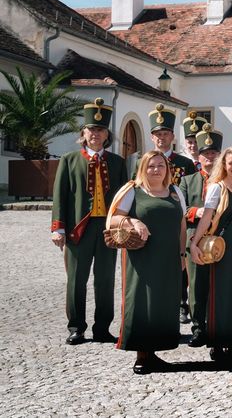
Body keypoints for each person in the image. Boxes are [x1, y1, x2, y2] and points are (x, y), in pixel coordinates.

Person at [52, 98, 129, 346]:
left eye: (100, 130)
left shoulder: (117, 162)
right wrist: (58, 228)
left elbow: (124, 198)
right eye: (91, 129)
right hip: (78, 228)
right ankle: (76, 327)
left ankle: (102, 328)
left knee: (105, 280)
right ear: (83, 133)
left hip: (107, 229)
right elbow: (59, 196)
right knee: (76, 280)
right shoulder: (70, 160)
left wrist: (125, 226)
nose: (95, 134)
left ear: (107, 134)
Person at [110, 151, 185, 374]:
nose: (156, 169)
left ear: (167, 168)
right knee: (141, 302)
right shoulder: (132, 190)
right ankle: (141, 355)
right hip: (142, 258)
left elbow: (181, 225)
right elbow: (113, 217)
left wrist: (182, 254)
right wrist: (133, 221)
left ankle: (153, 352)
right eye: (151, 166)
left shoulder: (175, 191)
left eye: (160, 165)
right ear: (143, 168)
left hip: (169, 257)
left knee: (162, 303)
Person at [188, 146, 232, 366]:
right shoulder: (217, 187)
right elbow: (207, 217)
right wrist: (195, 242)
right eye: (231, 163)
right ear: (224, 165)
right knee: (220, 297)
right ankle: (218, 345)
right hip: (221, 248)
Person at [179, 125, 222, 346]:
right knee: (196, 286)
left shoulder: (227, 182)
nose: (209, 157)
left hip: (220, 238)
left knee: (220, 284)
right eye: (205, 154)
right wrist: (199, 212)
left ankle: (218, 326)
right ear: (199, 156)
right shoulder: (188, 180)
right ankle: (198, 328)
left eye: (213, 153)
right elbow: (182, 210)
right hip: (194, 237)